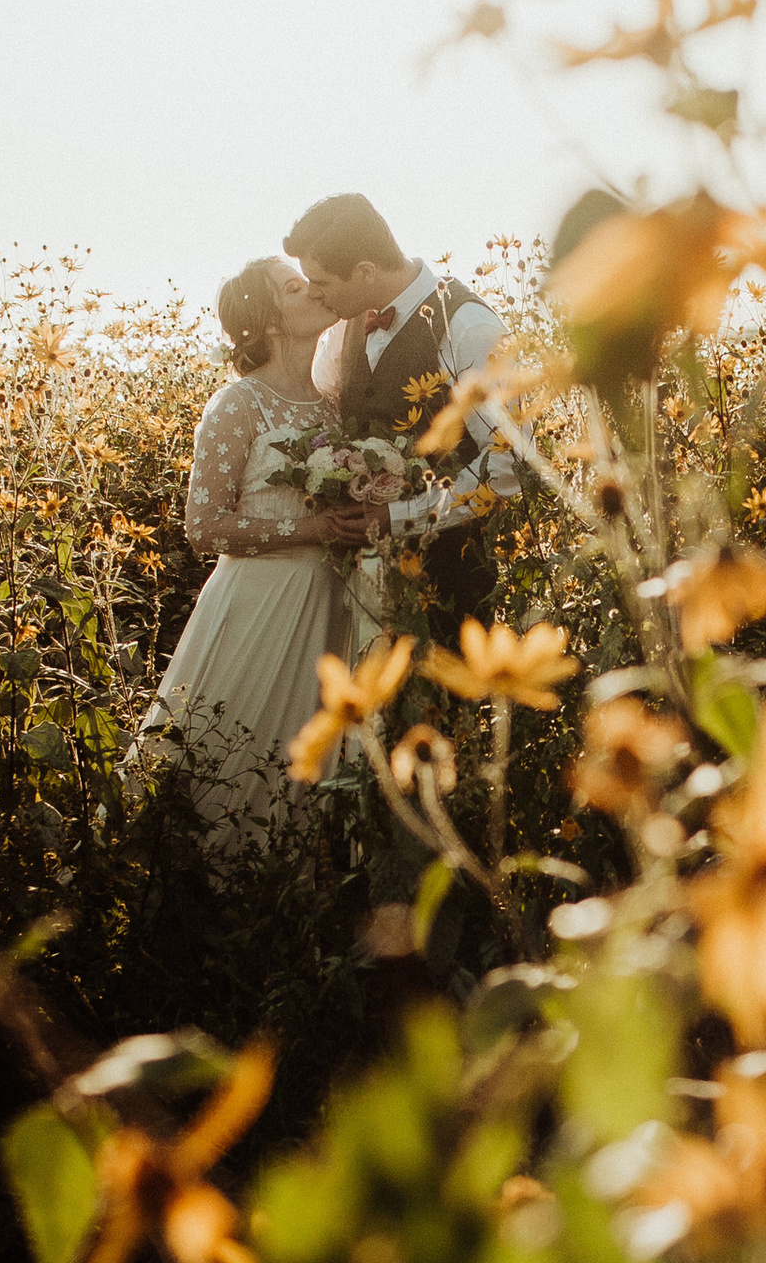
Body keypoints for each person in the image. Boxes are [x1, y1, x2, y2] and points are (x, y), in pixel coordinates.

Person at [135, 257, 374, 829]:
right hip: (257, 604)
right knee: (229, 756)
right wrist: (312, 530)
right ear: (268, 322)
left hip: (329, 601)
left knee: (301, 767)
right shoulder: (239, 403)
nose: (314, 289)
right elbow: (204, 526)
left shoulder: (335, 404)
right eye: (296, 286)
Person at [287, 193, 522, 630]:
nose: (314, 295)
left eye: (320, 282)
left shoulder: (469, 326)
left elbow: (507, 465)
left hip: (454, 576)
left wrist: (397, 516)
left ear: (364, 271)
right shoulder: (344, 326)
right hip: (362, 580)